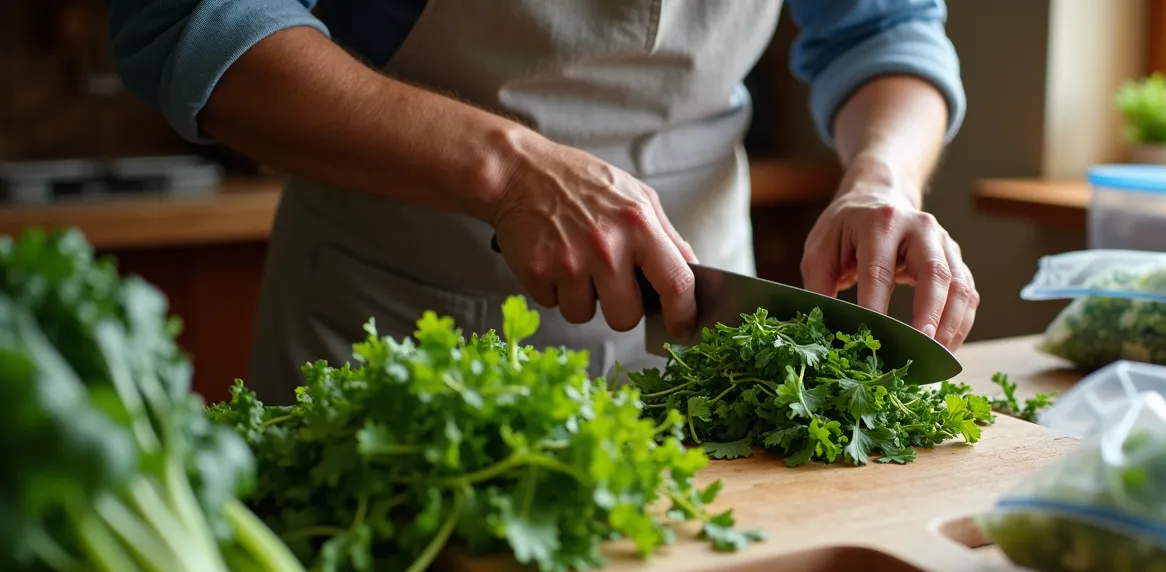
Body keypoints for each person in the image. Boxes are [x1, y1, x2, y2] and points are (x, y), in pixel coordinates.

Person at [107, 0, 976, 405]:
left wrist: (882, 178)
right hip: (396, 320)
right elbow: (190, 22)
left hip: (706, 323)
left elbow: (882, 29)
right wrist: (511, 168)